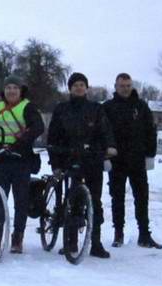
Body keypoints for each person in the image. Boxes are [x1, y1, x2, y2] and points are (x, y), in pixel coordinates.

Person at [47, 72, 117, 258]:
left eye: (82, 85)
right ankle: (71, 243)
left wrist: (110, 147)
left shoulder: (96, 109)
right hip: (70, 159)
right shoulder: (62, 109)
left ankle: (95, 243)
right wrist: (56, 161)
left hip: (93, 160)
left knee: (95, 203)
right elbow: (53, 137)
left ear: (86, 88)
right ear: (70, 88)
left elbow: (105, 130)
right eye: (75, 85)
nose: (79, 88)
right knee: (73, 202)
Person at [0, 74, 44, 253]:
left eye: (15, 88)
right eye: (8, 88)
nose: (11, 91)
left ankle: (17, 238)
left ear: (20, 90)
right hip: (1, 158)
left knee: (21, 201)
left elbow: (38, 127)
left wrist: (21, 142)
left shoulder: (27, 107)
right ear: (4, 91)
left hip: (21, 159)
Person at [103, 73, 162, 249]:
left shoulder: (141, 106)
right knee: (117, 198)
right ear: (116, 87)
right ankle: (118, 233)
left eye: (128, 85)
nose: (125, 88)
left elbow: (151, 131)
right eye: (122, 85)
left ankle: (144, 234)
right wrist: (106, 153)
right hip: (117, 160)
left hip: (137, 160)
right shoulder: (108, 107)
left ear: (132, 86)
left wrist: (150, 154)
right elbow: (103, 132)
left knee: (142, 198)